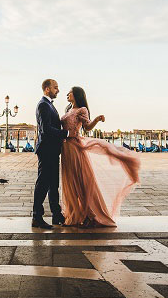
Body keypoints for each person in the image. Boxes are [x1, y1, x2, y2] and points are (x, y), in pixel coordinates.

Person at [60, 86, 140, 227]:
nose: (67, 94)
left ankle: (90, 215)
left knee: (79, 181)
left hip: (74, 147)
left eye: (70, 92)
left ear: (77, 95)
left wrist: (96, 119)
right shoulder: (68, 110)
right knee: (69, 181)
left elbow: (88, 126)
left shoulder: (82, 110)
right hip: (65, 148)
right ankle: (75, 213)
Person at [32, 78, 69, 229]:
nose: (58, 90)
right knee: (43, 183)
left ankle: (56, 215)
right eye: (55, 87)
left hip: (52, 150)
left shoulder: (49, 105)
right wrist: (65, 133)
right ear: (47, 89)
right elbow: (45, 130)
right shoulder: (43, 105)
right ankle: (37, 217)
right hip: (46, 150)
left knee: (53, 184)